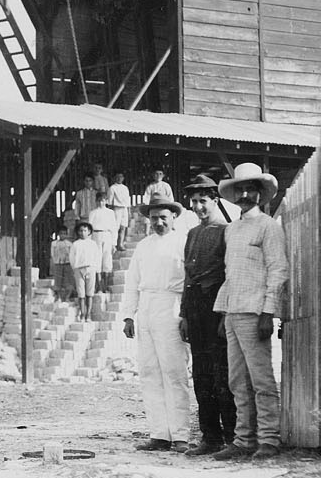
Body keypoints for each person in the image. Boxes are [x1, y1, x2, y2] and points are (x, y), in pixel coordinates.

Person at [212, 163, 289, 462]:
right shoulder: (231, 229)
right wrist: (223, 313)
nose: (245, 195)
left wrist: (268, 312)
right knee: (237, 381)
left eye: (251, 190)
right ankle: (243, 439)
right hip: (233, 312)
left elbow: (278, 270)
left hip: (255, 312)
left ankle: (269, 439)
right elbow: (232, 274)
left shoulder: (269, 227)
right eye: (240, 190)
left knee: (262, 380)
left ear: (261, 194)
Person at [121, 197, 191, 453]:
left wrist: (186, 315)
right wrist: (129, 315)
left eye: (164, 217)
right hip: (147, 309)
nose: (159, 222)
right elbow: (132, 282)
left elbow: (189, 283)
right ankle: (160, 434)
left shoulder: (183, 243)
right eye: (154, 218)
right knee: (150, 372)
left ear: (173, 217)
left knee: (174, 373)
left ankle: (181, 435)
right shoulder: (143, 246)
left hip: (171, 306)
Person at [179, 174, 235, 457]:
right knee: (200, 375)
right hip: (196, 310)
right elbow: (188, 277)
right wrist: (184, 315)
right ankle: (209, 437)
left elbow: (230, 276)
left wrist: (225, 313)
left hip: (216, 308)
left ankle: (231, 437)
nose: (198, 206)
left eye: (203, 201)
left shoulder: (227, 231)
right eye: (194, 201)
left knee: (221, 375)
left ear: (215, 201)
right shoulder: (192, 234)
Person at [69, 218, 100, 321]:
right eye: (81, 231)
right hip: (79, 269)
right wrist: (75, 268)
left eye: (85, 231)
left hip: (90, 268)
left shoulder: (93, 244)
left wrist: (96, 269)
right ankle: (82, 313)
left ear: (89, 232)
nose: (83, 233)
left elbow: (97, 257)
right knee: (81, 293)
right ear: (78, 232)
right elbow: (72, 258)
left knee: (89, 293)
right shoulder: (75, 244)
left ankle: (88, 315)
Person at [88, 197, 118, 292]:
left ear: (106, 201)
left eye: (103, 200)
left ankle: (106, 286)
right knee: (97, 260)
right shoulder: (93, 212)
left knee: (107, 259)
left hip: (107, 235)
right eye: (99, 200)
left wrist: (114, 243)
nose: (101, 202)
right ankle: (99, 287)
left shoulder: (110, 212)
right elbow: (89, 227)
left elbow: (114, 228)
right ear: (96, 201)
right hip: (96, 235)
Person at [49, 221, 75, 301]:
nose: (62, 235)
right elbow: (52, 254)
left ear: (67, 234)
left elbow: (72, 255)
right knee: (58, 280)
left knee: (68, 280)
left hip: (67, 264)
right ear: (58, 234)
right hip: (58, 264)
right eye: (61, 233)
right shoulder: (54, 244)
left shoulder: (69, 244)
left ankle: (67, 297)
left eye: (64, 233)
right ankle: (59, 297)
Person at [106, 172, 133, 248]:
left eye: (121, 177)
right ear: (114, 178)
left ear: (123, 178)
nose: (119, 178)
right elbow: (109, 201)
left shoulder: (125, 188)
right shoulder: (112, 188)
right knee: (115, 227)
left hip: (124, 209)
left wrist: (129, 211)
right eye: (117, 177)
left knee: (123, 227)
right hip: (116, 208)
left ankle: (120, 244)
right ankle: (113, 244)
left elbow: (128, 201)